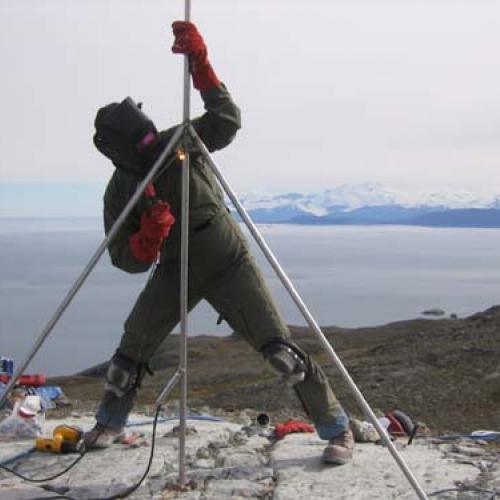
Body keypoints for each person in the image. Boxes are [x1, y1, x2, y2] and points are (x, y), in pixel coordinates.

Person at [85, 20, 354, 465]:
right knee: (130, 352)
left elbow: (227, 122)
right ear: (120, 152)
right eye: (144, 142)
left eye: (153, 133)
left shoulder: (179, 142)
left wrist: (202, 66)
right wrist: (149, 239)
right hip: (176, 269)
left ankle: (337, 429)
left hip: (228, 259)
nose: (154, 143)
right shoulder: (121, 192)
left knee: (281, 351)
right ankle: (110, 422)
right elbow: (123, 259)